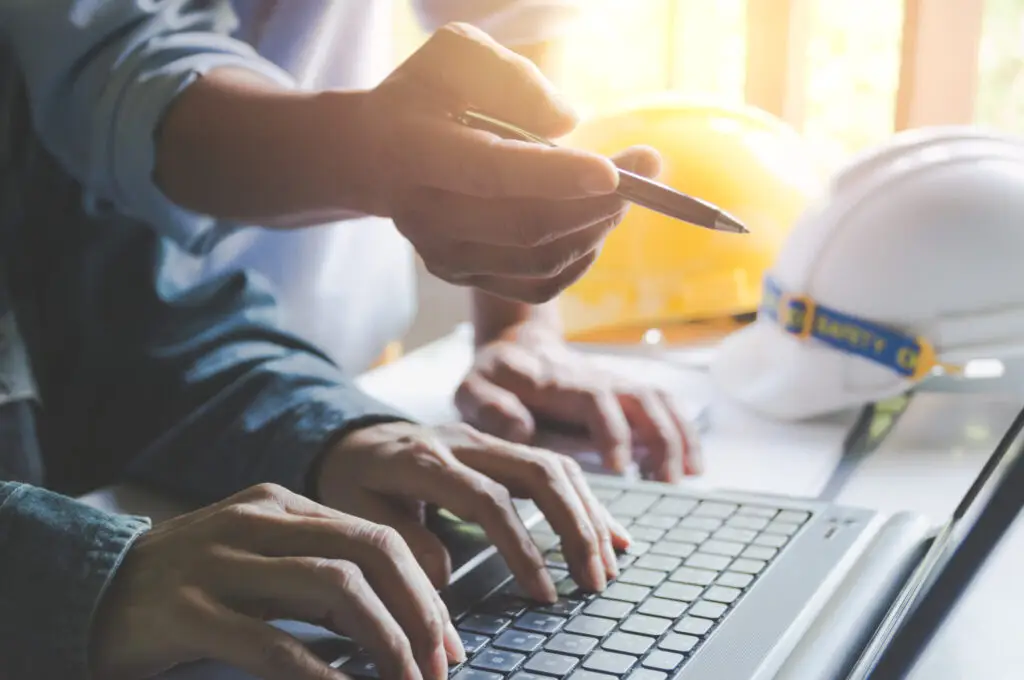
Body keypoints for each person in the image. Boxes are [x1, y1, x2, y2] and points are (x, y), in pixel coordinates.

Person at [0, 3, 693, 680]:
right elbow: (121, 78)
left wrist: (336, 433)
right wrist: (68, 575)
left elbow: (132, 319)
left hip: (287, 382)